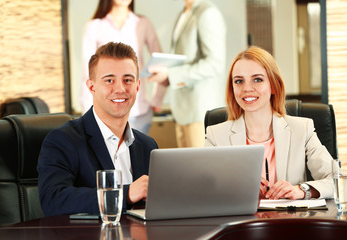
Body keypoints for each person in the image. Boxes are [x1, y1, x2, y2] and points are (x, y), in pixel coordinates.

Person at [38, 42, 158, 216]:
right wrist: (125, 194)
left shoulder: (148, 145)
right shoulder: (63, 140)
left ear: (138, 86)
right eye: (109, 80)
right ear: (91, 87)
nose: (120, 89)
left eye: (128, 80)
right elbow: (53, 200)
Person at [205, 46, 333, 200]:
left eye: (257, 79)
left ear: (273, 85)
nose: (246, 88)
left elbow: (338, 182)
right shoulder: (216, 136)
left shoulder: (302, 129)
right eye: (239, 81)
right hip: (240, 222)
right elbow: (202, 189)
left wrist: (301, 190)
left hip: (289, 221)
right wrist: (236, 187)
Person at [147, 0, 226, 147]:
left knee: (201, 168)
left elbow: (214, 63)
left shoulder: (208, 13)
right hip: (182, 112)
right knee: (188, 169)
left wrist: (171, 75)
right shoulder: (183, 13)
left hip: (200, 112)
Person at [81, 0, 165, 134]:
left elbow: (161, 63)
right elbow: (88, 72)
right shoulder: (94, 26)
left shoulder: (142, 23)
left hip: (139, 111)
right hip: (105, 114)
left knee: (137, 154)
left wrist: (157, 100)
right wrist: (87, 115)